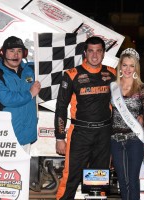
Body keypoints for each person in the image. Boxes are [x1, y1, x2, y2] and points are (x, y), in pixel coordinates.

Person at [54, 36, 116, 199]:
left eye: (98, 51)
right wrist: (60, 137)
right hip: (80, 133)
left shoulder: (112, 73)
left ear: (103, 53)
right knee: (70, 177)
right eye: (91, 51)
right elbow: (61, 107)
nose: (94, 55)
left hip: (104, 133)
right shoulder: (71, 74)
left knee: (98, 177)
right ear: (84, 53)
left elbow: (121, 105)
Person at [0, 36, 41, 153]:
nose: (16, 55)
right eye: (11, 51)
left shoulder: (31, 69)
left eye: (19, 51)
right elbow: (6, 99)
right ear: (3, 53)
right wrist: (30, 93)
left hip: (27, 134)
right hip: (4, 137)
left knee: (23, 171)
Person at [110, 48, 144, 200]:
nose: (128, 69)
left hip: (135, 139)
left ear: (136, 68)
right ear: (120, 66)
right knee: (122, 181)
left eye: (131, 65)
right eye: (125, 65)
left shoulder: (142, 88)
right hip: (115, 140)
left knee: (133, 181)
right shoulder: (113, 87)